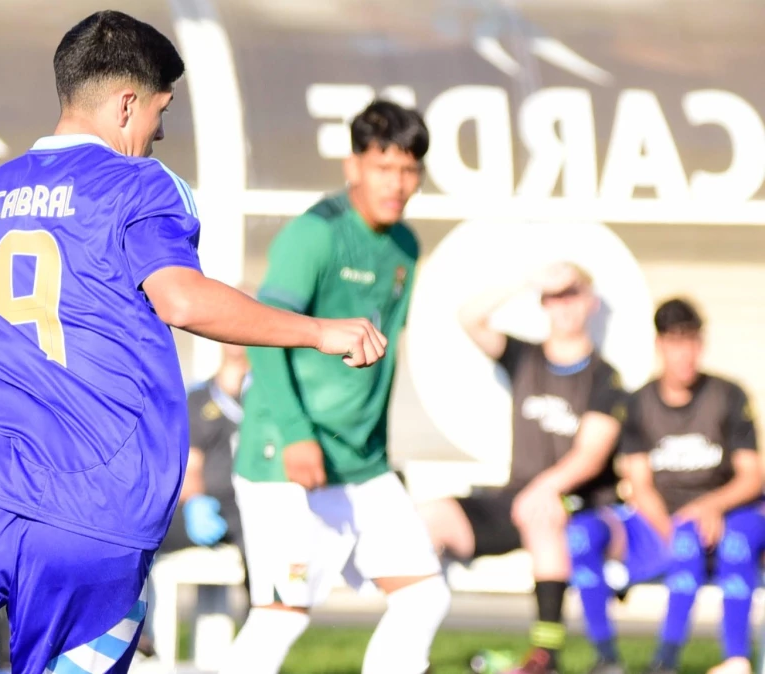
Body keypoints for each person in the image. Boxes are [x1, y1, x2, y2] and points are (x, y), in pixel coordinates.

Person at [0, 11, 387, 674]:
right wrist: (316, 331)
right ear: (126, 104)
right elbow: (180, 299)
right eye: (161, 113)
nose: (160, 134)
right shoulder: (142, 186)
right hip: (98, 518)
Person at [221, 100, 445, 674]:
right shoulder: (313, 235)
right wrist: (297, 435)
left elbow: (381, 360)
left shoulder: (405, 246)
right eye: (384, 167)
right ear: (353, 166)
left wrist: (377, 447)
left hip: (361, 465)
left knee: (424, 596)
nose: (398, 183)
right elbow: (263, 336)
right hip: (287, 456)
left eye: (409, 170)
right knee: (281, 616)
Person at [418, 261, 627, 674]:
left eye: (573, 294)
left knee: (542, 512)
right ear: (543, 303)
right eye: (555, 296)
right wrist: (529, 279)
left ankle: (546, 655)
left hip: (574, 503)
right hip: (516, 495)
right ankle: (412, 653)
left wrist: (546, 488)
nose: (564, 305)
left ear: (590, 302)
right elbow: (469, 317)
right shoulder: (524, 358)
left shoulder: (605, 378)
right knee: (430, 518)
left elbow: (591, 455)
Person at [568, 299, 762, 674]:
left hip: (725, 518)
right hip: (660, 522)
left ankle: (699, 659)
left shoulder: (728, 396)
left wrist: (711, 507)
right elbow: (639, 485)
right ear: (659, 345)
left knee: (721, 539)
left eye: (692, 342)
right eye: (676, 343)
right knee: (582, 534)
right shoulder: (638, 403)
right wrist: (673, 531)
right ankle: (607, 659)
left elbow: (752, 475)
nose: (685, 354)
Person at [140, 338, 250, 659]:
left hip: (247, 509)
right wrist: (196, 501)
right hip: (202, 509)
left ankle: (257, 637)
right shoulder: (199, 397)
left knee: (261, 554)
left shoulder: (267, 396)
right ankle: (139, 635)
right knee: (139, 536)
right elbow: (189, 463)